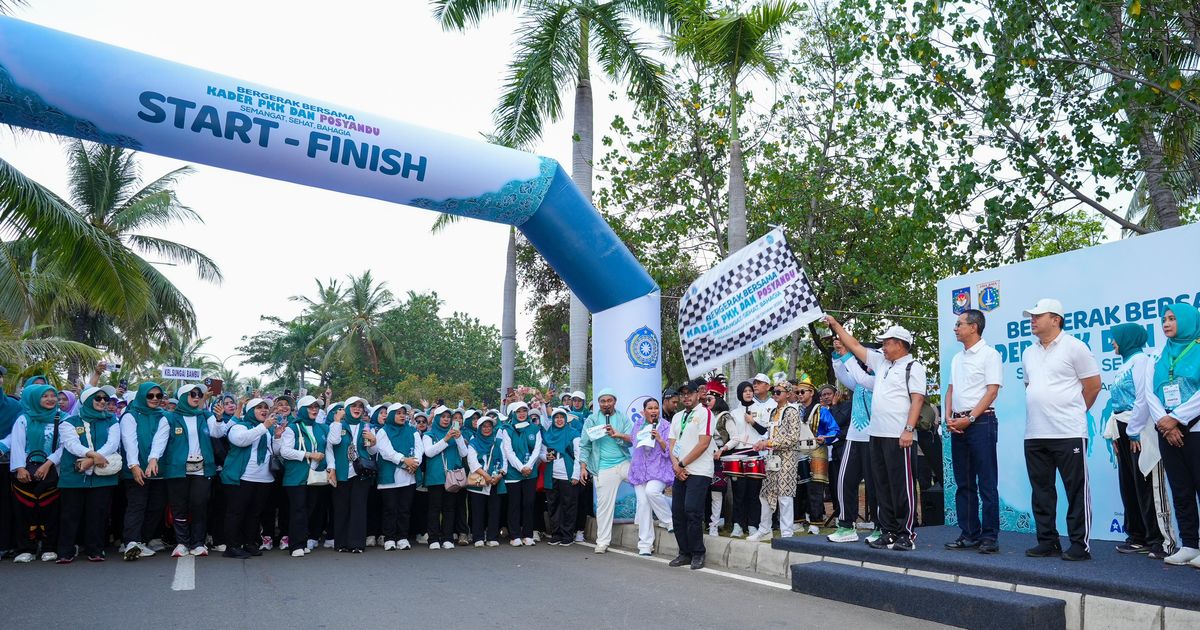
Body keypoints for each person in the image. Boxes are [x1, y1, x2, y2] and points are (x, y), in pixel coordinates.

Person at [825, 316, 927, 552]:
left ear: (900, 344)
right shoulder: (882, 363)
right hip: (877, 436)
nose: (882, 346)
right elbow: (855, 346)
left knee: (902, 486)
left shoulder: (913, 366)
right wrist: (835, 325)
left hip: (899, 436)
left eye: (887, 342)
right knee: (883, 486)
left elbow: (918, 399)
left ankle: (906, 533)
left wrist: (908, 430)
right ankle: (889, 531)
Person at [1020, 298, 1102, 561]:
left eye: (1037, 316)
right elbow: (1029, 386)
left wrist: (1076, 412)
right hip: (1035, 433)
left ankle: (1080, 544)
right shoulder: (1029, 352)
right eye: (1031, 316)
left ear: (1055, 319)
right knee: (1041, 490)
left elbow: (1093, 386)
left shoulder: (1075, 347)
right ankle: (1048, 540)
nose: (1032, 320)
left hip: (1068, 432)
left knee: (1075, 489)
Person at [1106, 322, 1175, 559]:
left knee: (1147, 485)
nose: (1112, 343)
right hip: (1124, 430)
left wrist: (1133, 431)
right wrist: (1115, 434)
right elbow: (1116, 405)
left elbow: (1143, 398)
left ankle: (1158, 540)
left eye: (1115, 338)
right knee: (1129, 485)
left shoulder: (1142, 361)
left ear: (1127, 339)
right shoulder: (1124, 365)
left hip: (1141, 431)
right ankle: (1137, 537)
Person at [1143, 303, 1200, 566]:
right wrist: (1165, 424)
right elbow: (1150, 394)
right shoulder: (1158, 356)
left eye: (1173, 318)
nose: (1166, 323)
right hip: (1167, 433)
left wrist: (1176, 418)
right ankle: (1189, 545)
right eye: (1164, 319)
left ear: (1188, 321)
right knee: (1180, 489)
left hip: (1196, 429)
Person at [944, 309, 1004, 554]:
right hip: (958, 424)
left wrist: (969, 418)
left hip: (981, 422)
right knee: (963, 482)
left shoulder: (990, 355)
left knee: (987, 482)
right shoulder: (957, 358)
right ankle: (969, 534)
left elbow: (992, 391)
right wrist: (948, 416)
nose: (956, 328)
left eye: (960, 324)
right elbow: (950, 390)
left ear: (974, 327)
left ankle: (989, 537)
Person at [147, 384, 229, 558]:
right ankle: (182, 542)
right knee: (179, 507)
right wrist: (153, 458)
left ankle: (198, 543)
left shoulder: (205, 415)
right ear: (184, 396)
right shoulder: (169, 417)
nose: (197, 397)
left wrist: (220, 418)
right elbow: (159, 441)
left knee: (199, 506)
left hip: (202, 469)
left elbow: (217, 432)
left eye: (199, 394)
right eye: (193, 394)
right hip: (177, 470)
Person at [55, 386, 120, 563]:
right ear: (86, 400)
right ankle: (65, 551)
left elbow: (112, 444)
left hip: (101, 476)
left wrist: (91, 460)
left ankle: (95, 549)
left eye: (105, 399)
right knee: (70, 514)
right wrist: (92, 455)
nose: (102, 402)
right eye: (97, 398)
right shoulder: (69, 422)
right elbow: (71, 444)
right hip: (73, 476)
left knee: (98, 514)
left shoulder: (112, 420)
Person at [829, 339, 878, 543]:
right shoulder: (859, 380)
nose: (864, 360)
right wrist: (838, 354)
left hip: (875, 437)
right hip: (854, 437)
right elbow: (842, 375)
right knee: (845, 480)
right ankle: (846, 526)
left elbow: (858, 374)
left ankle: (880, 526)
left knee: (876, 485)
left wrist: (847, 353)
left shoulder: (882, 379)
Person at [219, 398, 279, 559]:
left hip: (264, 478)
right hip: (242, 477)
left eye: (266, 408)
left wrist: (278, 437)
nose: (264, 410)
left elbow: (275, 451)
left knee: (254, 514)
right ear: (251, 410)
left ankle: (249, 542)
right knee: (236, 513)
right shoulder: (239, 426)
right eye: (259, 407)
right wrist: (263, 427)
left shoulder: (267, 430)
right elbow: (241, 440)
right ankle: (232, 546)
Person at [578, 388, 633, 554]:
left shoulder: (623, 418)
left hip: (623, 463)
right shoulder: (592, 420)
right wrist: (583, 467)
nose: (606, 404)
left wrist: (618, 435)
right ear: (598, 403)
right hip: (602, 467)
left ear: (614, 401)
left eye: (609, 400)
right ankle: (602, 542)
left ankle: (651, 534)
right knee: (604, 506)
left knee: (646, 486)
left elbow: (632, 440)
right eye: (603, 401)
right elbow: (584, 445)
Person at [668, 380, 715, 570]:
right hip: (680, 471)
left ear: (698, 394)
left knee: (692, 511)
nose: (686, 397)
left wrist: (681, 464)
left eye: (690, 393)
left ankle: (698, 553)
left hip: (699, 471)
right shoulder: (677, 416)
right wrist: (675, 466)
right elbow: (672, 443)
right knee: (678, 513)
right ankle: (684, 553)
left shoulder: (705, 413)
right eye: (683, 394)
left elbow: (703, 444)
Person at [747, 382, 803, 542]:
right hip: (772, 458)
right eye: (774, 392)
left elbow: (793, 438)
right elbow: (769, 435)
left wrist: (769, 443)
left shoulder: (792, 411)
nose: (775, 394)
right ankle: (764, 530)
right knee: (765, 494)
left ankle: (787, 533)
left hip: (787, 458)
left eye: (779, 392)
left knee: (785, 495)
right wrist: (761, 442)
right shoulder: (773, 412)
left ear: (788, 394)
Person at [118, 382, 168, 560]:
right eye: (150, 395)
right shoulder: (130, 415)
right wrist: (134, 465)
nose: (155, 399)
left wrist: (153, 459)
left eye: (158, 396)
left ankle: (142, 542)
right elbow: (129, 441)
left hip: (156, 470)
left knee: (156, 506)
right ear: (142, 396)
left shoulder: (163, 417)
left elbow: (160, 440)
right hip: (135, 469)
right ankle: (131, 541)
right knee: (136, 505)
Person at [278, 395, 329, 557]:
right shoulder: (292, 428)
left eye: (316, 407)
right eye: (311, 407)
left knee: (309, 509)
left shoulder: (320, 427)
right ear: (302, 410)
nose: (314, 409)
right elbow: (284, 451)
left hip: (314, 476)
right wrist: (308, 454)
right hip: (296, 476)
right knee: (298, 510)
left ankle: (303, 540)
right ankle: (295, 545)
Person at [326, 397, 375, 553]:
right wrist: (337, 421)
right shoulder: (338, 425)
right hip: (342, 472)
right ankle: (341, 543)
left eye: (360, 406)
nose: (357, 408)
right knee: (341, 508)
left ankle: (356, 544)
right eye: (354, 406)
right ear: (346, 409)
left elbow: (372, 452)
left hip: (361, 473)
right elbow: (331, 444)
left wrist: (374, 442)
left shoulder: (366, 426)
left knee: (359, 508)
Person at [373, 402, 422, 551]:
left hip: (409, 477)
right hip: (390, 477)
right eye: (399, 413)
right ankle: (389, 538)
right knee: (390, 509)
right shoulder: (383, 431)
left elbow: (420, 449)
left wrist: (414, 463)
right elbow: (386, 452)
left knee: (404, 509)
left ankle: (402, 537)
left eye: (404, 413)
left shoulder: (412, 430)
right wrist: (404, 461)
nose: (402, 416)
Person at [629, 397, 673, 555]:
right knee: (643, 504)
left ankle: (668, 521)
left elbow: (670, 450)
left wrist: (660, 439)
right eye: (650, 408)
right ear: (644, 411)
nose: (654, 411)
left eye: (656, 408)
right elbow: (634, 443)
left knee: (652, 492)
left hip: (659, 469)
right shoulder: (638, 425)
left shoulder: (666, 426)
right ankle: (645, 544)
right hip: (640, 470)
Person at [797, 377, 839, 535]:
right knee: (800, 486)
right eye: (798, 392)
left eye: (803, 391)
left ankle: (815, 521)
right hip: (800, 451)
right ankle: (799, 520)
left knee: (815, 487)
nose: (799, 394)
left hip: (817, 450)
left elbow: (835, 430)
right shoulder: (796, 410)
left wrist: (825, 437)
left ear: (811, 392)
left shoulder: (821, 410)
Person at [422, 405, 467, 550]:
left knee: (449, 508)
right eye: (443, 417)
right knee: (434, 508)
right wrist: (446, 439)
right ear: (436, 418)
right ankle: (433, 538)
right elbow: (429, 452)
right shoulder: (429, 435)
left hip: (452, 477)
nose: (446, 420)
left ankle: (448, 538)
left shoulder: (456, 435)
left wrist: (459, 438)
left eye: (449, 417)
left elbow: (464, 453)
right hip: (435, 477)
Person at [500, 401, 542, 546]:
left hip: (530, 472)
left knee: (529, 503)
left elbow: (537, 450)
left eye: (524, 410)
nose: (522, 414)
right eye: (519, 411)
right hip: (513, 473)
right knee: (514, 504)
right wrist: (520, 468)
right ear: (513, 414)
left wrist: (528, 466)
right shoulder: (507, 429)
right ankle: (515, 535)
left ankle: (528, 534)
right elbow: (508, 452)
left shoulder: (535, 429)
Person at [726, 381, 765, 538]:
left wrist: (753, 422)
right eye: (745, 391)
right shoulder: (734, 413)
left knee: (753, 492)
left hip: (755, 454)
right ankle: (737, 525)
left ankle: (753, 525)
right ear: (740, 393)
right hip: (738, 454)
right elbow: (733, 436)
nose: (748, 393)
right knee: (739, 492)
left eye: (750, 390)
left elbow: (764, 431)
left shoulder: (760, 410)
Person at [541, 407, 581, 546]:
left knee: (568, 505)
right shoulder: (548, 434)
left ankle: (567, 535)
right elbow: (541, 453)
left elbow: (578, 454)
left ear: (566, 419)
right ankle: (556, 534)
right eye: (556, 417)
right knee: (553, 504)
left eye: (562, 417)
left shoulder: (573, 433)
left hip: (568, 474)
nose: (559, 420)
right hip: (552, 473)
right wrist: (545, 457)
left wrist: (576, 474)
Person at [466, 413, 505, 547]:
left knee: (494, 509)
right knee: (477, 510)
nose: (487, 429)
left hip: (495, 480)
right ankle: (478, 536)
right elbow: (472, 463)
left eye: (489, 426)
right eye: (484, 427)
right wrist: (486, 476)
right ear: (479, 428)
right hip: (479, 479)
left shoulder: (498, 442)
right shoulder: (473, 442)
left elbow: (504, 461)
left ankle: (492, 536)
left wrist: (499, 475)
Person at [706, 393, 733, 536]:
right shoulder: (704, 415)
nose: (707, 402)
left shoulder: (725, 416)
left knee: (716, 494)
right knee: (703, 493)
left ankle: (714, 526)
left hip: (719, 459)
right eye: (706, 399)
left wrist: (722, 450)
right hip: (703, 458)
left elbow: (735, 438)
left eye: (710, 399)